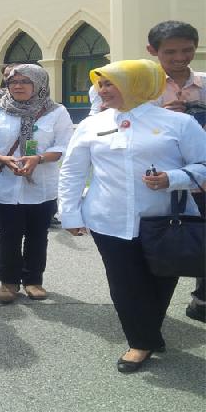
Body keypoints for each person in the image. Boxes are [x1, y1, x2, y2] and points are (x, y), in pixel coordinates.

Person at [59, 59, 206, 373]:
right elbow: (72, 171)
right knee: (125, 284)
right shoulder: (91, 124)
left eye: (110, 83)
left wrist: (173, 179)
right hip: (107, 219)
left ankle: (148, 331)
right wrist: (69, 214)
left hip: (165, 220)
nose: (102, 90)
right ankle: (140, 342)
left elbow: (203, 165)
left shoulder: (179, 123)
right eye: (100, 83)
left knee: (161, 279)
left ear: (137, 84)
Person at [0, 64, 73, 303]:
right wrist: (2, 159)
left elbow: (64, 145)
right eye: (12, 81)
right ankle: (8, 282)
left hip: (42, 185)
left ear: (39, 84)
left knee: (38, 235)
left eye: (25, 81)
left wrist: (38, 158)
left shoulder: (56, 112)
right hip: (5, 185)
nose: (17, 86)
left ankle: (33, 280)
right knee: (9, 235)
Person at [146, 20, 206, 323]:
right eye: (170, 52)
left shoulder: (205, 83)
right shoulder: (143, 86)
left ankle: (202, 300)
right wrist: (160, 117)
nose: (180, 58)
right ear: (152, 50)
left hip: (202, 178)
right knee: (158, 242)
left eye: (187, 50)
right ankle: (148, 309)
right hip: (159, 181)